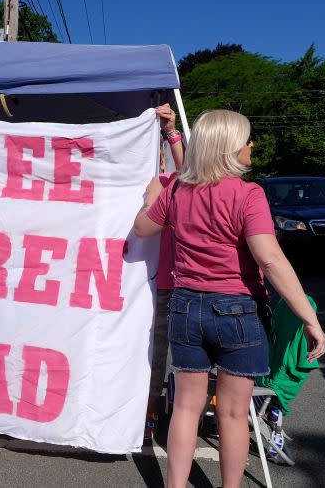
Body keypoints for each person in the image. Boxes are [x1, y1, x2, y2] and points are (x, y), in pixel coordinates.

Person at [133, 110, 325, 488]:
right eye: (246, 140)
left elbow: (143, 229)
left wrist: (151, 196)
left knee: (186, 409)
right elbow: (269, 259)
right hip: (239, 311)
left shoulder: (176, 190)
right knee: (234, 414)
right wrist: (310, 318)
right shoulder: (248, 194)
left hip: (186, 306)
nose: (250, 145)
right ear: (228, 149)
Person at [145, 104, 185, 439]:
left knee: (186, 356)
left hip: (178, 284)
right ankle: (150, 411)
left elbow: (188, 171)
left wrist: (170, 130)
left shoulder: (177, 183)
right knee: (152, 353)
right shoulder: (134, 184)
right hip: (142, 285)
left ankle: (183, 413)